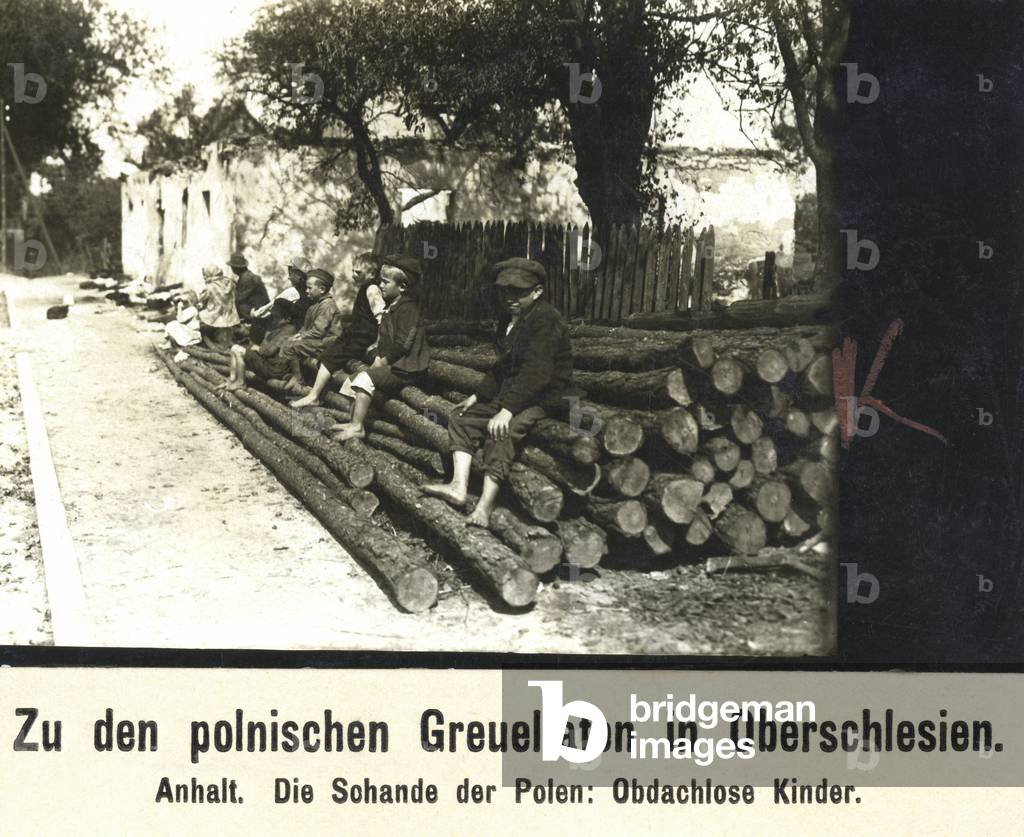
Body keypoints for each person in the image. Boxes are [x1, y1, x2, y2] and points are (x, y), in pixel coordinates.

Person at [422, 257, 576, 527]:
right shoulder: (509, 319)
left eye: (518, 291)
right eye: (504, 291)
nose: (509, 298)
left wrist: (506, 411)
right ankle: (458, 486)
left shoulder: (546, 319)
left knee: (502, 431)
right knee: (461, 417)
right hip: (516, 391)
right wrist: (478, 396)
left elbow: (536, 372)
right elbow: (502, 366)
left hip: (546, 395)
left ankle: (484, 506)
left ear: (537, 291)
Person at [326, 254, 430, 441]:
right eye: (381, 281)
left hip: (407, 368)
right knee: (352, 380)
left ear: (402, 287)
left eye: (385, 282)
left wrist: (384, 360)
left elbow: (403, 344)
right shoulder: (393, 306)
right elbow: (385, 339)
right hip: (394, 363)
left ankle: (358, 428)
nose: (380, 285)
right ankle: (353, 421)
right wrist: (378, 356)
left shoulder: (408, 309)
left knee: (364, 379)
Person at [290, 252, 385, 409]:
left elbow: (381, 317)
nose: (353, 275)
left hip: (363, 336)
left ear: (372, 274)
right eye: (353, 271)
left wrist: (377, 344)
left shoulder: (372, 289)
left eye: (358, 272)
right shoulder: (365, 287)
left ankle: (313, 396)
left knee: (329, 358)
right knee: (327, 353)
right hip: (356, 333)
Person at [279, 268, 343, 390]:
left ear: (322, 289)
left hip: (329, 342)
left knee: (290, 346)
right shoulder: (314, 305)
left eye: (309, 288)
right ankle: (297, 373)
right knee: (285, 340)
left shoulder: (327, 305)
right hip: (319, 340)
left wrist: (301, 337)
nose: (306, 291)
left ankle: (298, 378)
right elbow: (306, 327)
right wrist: (298, 335)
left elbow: (319, 331)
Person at [220, 298, 297, 391]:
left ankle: (240, 383)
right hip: (268, 361)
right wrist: (262, 346)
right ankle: (232, 380)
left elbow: (270, 351)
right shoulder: (279, 328)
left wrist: (259, 349)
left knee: (239, 351)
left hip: (275, 368)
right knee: (234, 348)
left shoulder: (289, 329)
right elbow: (267, 346)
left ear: (287, 319)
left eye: (277, 318)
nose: (274, 320)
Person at [196, 264, 241, 350]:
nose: (204, 277)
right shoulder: (228, 282)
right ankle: (227, 343)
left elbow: (202, 299)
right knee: (226, 331)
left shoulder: (209, 287)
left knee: (201, 316)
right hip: (230, 313)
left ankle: (217, 343)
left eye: (205, 275)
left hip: (216, 313)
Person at [227, 252, 270, 322]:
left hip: (259, 310)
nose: (231, 268)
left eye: (232, 266)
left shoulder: (246, 278)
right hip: (261, 307)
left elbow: (239, 298)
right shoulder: (247, 276)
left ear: (235, 268)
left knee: (240, 306)